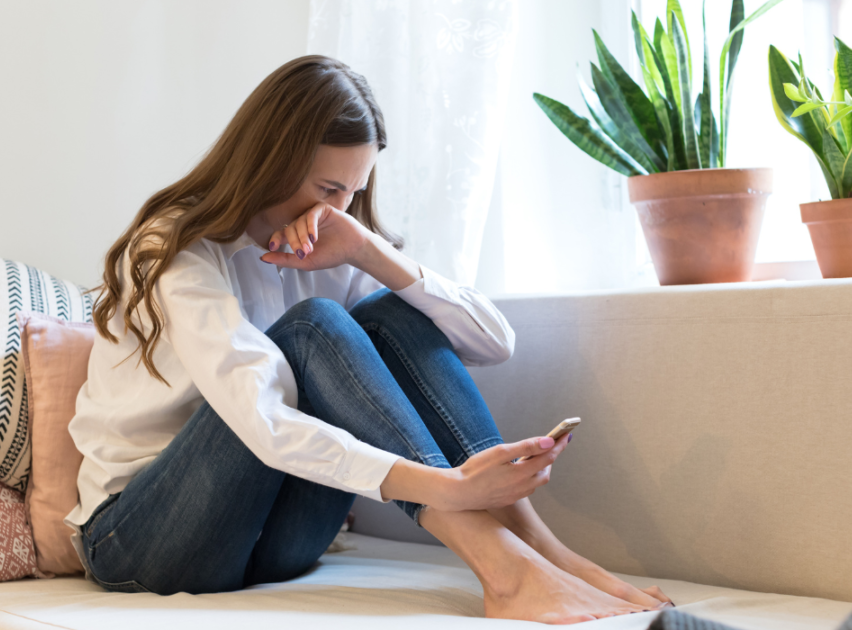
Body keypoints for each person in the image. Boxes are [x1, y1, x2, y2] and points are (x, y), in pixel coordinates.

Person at [64, 55, 674, 625]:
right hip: (141, 539)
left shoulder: (333, 239)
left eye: (354, 190)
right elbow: (263, 421)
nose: (341, 207)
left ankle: (541, 548)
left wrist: (368, 251)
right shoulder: (176, 247)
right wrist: (450, 487)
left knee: (388, 312)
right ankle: (503, 566)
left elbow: (494, 344)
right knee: (314, 329)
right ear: (270, 162)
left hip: (270, 543)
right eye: (329, 189)